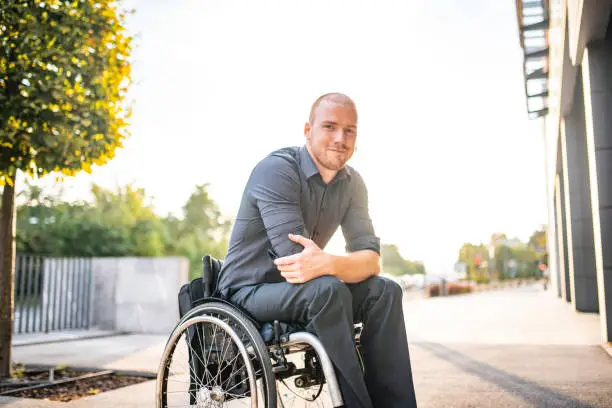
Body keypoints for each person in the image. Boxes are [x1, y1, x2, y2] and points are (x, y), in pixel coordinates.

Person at [217, 93, 418, 408]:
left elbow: (371, 261)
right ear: (308, 130)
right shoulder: (276, 170)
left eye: (349, 130)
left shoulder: (353, 184)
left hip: (303, 290)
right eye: (330, 127)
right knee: (326, 291)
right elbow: (297, 263)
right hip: (248, 291)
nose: (340, 138)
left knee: (386, 290)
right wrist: (335, 265)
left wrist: (330, 262)